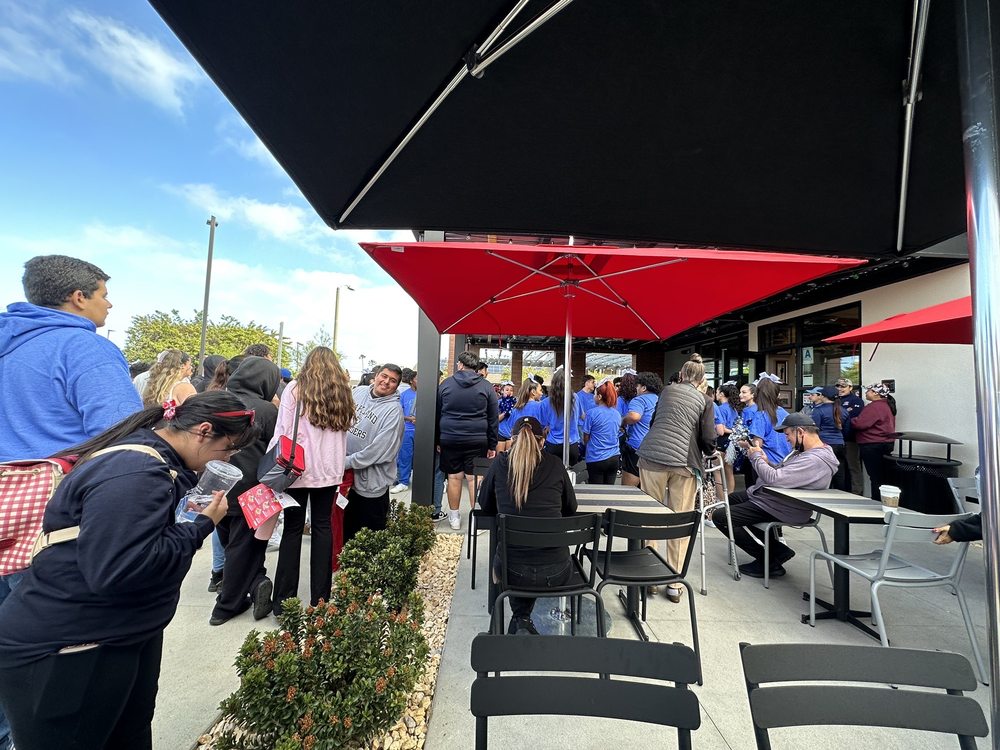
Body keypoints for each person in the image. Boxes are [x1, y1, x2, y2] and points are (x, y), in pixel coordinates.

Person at [0, 392, 256, 750]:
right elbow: (118, 570)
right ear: (203, 430)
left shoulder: (157, 463)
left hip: (113, 638)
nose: (229, 459)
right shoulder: (135, 473)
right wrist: (199, 526)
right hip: (68, 651)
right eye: (228, 448)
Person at [0, 255, 141, 463]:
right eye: (104, 296)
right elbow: (123, 437)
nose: (109, 304)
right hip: (58, 486)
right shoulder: (86, 347)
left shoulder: (9, 341)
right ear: (79, 297)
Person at [270, 347, 353, 615]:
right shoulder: (343, 391)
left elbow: (282, 430)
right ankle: (320, 599)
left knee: (292, 531)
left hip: (298, 467)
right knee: (322, 528)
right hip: (329, 469)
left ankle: (284, 602)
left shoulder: (295, 388)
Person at [477, 416, 578, 634]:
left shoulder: (499, 464)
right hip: (557, 571)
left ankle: (521, 617)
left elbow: (485, 505)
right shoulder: (555, 464)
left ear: (513, 440)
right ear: (542, 441)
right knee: (532, 560)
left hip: (511, 570)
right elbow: (571, 508)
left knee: (513, 559)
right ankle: (522, 618)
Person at [712, 413, 839, 578]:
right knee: (731, 501)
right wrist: (765, 461)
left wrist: (757, 457)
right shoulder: (808, 453)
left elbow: (774, 478)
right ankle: (778, 550)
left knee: (721, 516)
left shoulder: (814, 460)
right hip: (775, 499)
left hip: (782, 506)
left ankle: (768, 560)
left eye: (788, 435)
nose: (787, 440)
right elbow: (783, 474)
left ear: (800, 432)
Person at [636, 356, 715, 602]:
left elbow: (653, 423)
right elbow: (708, 438)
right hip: (684, 463)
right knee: (679, 519)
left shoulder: (667, 392)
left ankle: (649, 577)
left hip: (651, 457)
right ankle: (673, 582)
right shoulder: (705, 400)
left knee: (650, 516)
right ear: (702, 379)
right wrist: (711, 452)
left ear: (681, 375)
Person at [209, 356, 281, 625]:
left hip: (217, 484)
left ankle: (250, 583)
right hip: (252, 489)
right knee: (244, 547)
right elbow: (277, 450)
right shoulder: (266, 410)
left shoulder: (217, 399)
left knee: (229, 542)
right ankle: (227, 604)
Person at [436, 351, 499, 530]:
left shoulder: (446, 384)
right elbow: (493, 418)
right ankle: (476, 518)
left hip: (449, 437)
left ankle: (454, 517)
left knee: (454, 477)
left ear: (460, 364)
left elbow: (437, 412)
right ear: (476, 367)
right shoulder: (486, 387)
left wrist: (438, 439)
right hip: (477, 439)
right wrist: (492, 443)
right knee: (475, 478)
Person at [344, 364, 405, 543]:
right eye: (384, 376)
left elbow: (378, 451)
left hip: (371, 484)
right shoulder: (359, 393)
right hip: (345, 479)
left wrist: (345, 462)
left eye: (392, 381)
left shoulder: (394, 412)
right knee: (346, 531)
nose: (386, 382)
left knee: (370, 538)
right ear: (376, 375)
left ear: (396, 386)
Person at [851, 382, 897, 503]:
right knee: (882, 474)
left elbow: (860, 424)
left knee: (875, 475)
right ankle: (885, 500)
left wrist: (852, 419)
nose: (866, 392)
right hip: (885, 443)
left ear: (876, 393)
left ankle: (876, 500)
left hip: (872, 444)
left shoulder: (875, 406)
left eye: (869, 390)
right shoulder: (887, 405)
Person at [621, 371, 662, 487]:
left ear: (643, 387)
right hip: (654, 448)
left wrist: (623, 421)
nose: (636, 389)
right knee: (648, 488)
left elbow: (634, 416)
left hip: (636, 447)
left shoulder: (639, 400)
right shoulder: (660, 400)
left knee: (629, 490)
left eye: (637, 386)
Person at [538, 366, 586, 465]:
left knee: (553, 476)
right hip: (572, 445)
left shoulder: (545, 402)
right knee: (570, 477)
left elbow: (543, 425)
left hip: (553, 444)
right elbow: (582, 416)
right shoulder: (575, 398)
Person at [810, 385, 850, 491]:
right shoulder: (844, 411)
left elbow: (814, 430)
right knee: (840, 472)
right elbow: (846, 430)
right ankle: (841, 495)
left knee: (824, 471)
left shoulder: (818, 410)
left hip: (824, 444)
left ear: (823, 396)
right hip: (840, 444)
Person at [582, 377, 622, 484]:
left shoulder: (591, 413)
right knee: (609, 491)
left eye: (595, 394)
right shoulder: (617, 414)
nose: (593, 397)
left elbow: (586, 437)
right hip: (614, 457)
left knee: (596, 492)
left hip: (596, 457)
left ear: (599, 397)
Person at [836, 378, 866, 494]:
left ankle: (857, 492)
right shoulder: (835, 400)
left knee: (853, 466)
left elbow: (853, 419)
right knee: (838, 466)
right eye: (838, 386)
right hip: (837, 439)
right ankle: (840, 491)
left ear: (850, 387)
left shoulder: (856, 401)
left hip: (850, 439)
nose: (840, 389)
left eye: (843, 386)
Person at [391, 370, 418, 493]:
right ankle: (403, 482)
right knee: (405, 456)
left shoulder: (430, 394)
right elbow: (398, 413)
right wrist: (409, 418)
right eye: (417, 379)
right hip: (407, 430)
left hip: (424, 431)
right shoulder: (404, 395)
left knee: (423, 457)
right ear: (412, 380)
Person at [713, 383, 740, 494]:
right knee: (729, 470)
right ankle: (730, 496)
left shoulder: (720, 408)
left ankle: (721, 498)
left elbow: (722, 429)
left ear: (722, 394)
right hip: (732, 441)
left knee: (717, 470)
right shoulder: (734, 408)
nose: (715, 394)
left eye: (717, 392)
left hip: (722, 440)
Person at [495, 381, 517, 452]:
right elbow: (495, 420)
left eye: (511, 390)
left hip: (511, 433)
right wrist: (506, 412)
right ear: (502, 391)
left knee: (509, 457)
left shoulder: (516, 404)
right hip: (500, 433)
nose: (509, 392)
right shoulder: (498, 403)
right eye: (507, 390)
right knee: (500, 457)